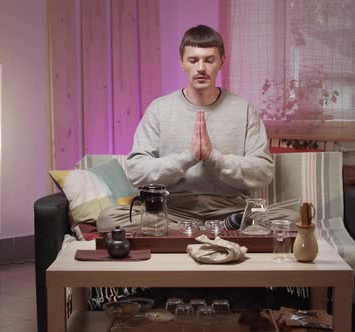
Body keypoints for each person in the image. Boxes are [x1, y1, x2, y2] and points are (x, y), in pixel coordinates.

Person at [97, 24, 296, 232]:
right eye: (193, 60)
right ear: (182, 62)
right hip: (171, 211)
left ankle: (198, 232)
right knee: (108, 219)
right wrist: (187, 157)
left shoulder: (244, 110)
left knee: (290, 218)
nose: (201, 68)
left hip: (232, 211)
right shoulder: (159, 109)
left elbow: (264, 171)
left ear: (221, 62)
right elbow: (136, 171)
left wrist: (214, 158)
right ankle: (209, 231)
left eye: (209, 60)